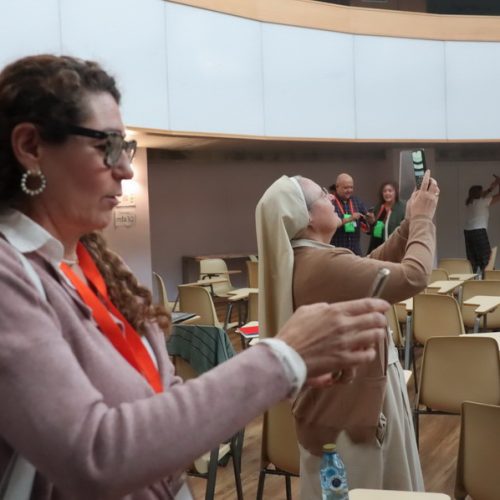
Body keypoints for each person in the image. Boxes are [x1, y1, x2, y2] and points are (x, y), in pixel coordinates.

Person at [0, 54, 390, 500]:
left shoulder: (97, 265)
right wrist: (282, 358)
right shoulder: (10, 276)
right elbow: (94, 455)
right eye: (106, 146)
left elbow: (162, 409)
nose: (125, 169)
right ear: (30, 146)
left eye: (125, 148)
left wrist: (294, 363)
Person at [256, 170, 440, 497]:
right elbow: (414, 276)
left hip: (340, 408)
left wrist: (409, 223)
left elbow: (370, 267)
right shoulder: (321, 264)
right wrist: (425, 218)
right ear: (306, 217)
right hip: (355, 413)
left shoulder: (309, 258)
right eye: (322, 195)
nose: (331, 197)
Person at [464, 175, 500, 275]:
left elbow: (482, 195)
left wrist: (492, 187)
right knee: (487, 260)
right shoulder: (482, 202)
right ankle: (487, 280)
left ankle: (474, 280)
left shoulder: (469, 202)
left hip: (468, 233)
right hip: (478, 232)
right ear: (478, 194)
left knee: (473, 260)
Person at [330, 173, 368, 255]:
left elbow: (367, 229)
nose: (349, 190)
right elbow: (328, 225)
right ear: (337, 187)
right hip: (337, 252)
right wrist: (349, 219)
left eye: (351, 187)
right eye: (346, 188)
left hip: (355, 252)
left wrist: (371, 220)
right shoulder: (330, 202)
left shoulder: (357, 201)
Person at [366, 181, 406, 253]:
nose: (387, 193)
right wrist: (372, 223)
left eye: (390, 191)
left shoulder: (403, 207)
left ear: (396, 192)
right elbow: (377, 233)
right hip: (380, 249)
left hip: (397, 249)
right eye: (384, 191)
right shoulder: (379, 207)